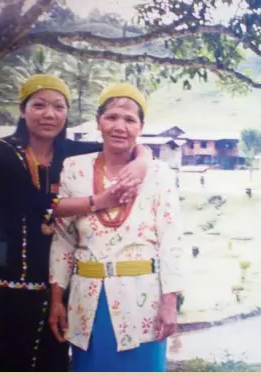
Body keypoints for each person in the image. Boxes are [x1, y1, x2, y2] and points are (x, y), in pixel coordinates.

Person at [0, 74, 151, 372]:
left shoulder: (73, 154)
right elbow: (36, 204)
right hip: (6, 283)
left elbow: (123, 140)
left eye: (58, 106)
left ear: (67, 112)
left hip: (59, 286)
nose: (49, 114)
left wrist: (142, 161)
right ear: (22, 109)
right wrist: (100, 202)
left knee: (53, 362)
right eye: (39, 105)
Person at [49, 83, 185, 372]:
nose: (119, 126)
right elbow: (63, 239)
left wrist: (169, 301)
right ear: (99, 122)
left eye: (129, 119)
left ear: (141, 127)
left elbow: (171, 238)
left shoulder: (158, 173)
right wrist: (56, 299)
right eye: (111, 117)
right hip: (87, 302)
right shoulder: (75, 168)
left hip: (142, 302)